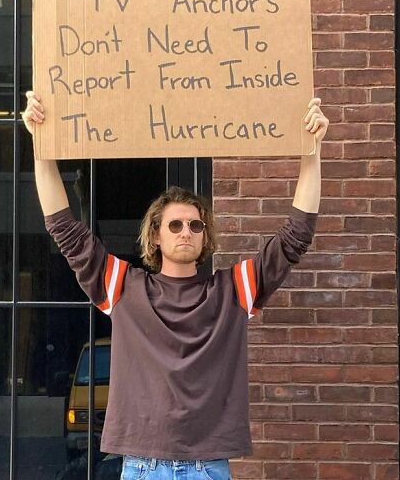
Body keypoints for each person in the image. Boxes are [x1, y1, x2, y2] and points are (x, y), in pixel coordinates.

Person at [22, 91, 328, 480]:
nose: (187, 231)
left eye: (196, 225)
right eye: (176, 225)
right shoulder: (124, 288)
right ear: (156, 236)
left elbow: (296, 236)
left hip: (207, 467)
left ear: (205, 236)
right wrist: (41, 145)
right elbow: (65, 230)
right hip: (142, 466)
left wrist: (312, 150)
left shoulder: (233, 291)